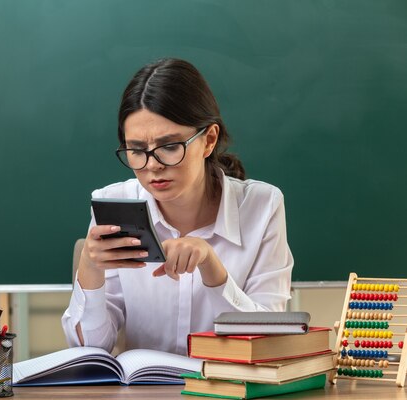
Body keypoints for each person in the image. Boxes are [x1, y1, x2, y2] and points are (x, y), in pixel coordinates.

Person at [61, 58, 293, 355]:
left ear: (209, 140)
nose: (152, 166)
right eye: (136, 150)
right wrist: (89, 268)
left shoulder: (262, 207)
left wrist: (213, 270)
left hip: (229, 397)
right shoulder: (117, 204)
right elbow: (89, 350)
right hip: (143, 397)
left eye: (170, 147)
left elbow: (271, 344)